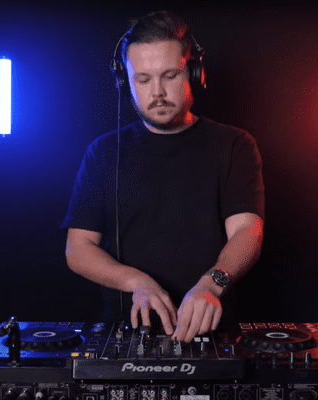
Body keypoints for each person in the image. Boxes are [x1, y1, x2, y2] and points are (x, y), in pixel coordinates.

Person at [63, 10, 264, 343]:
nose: (157, 91)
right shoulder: (103, 152)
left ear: (195, 72)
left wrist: (211, 285)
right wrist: (135, 281)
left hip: (213, 332)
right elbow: (78, 249)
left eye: (169, 75)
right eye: (142, 79)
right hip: (125, 335)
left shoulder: (235, 145)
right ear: (125, 82)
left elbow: (247, 231)